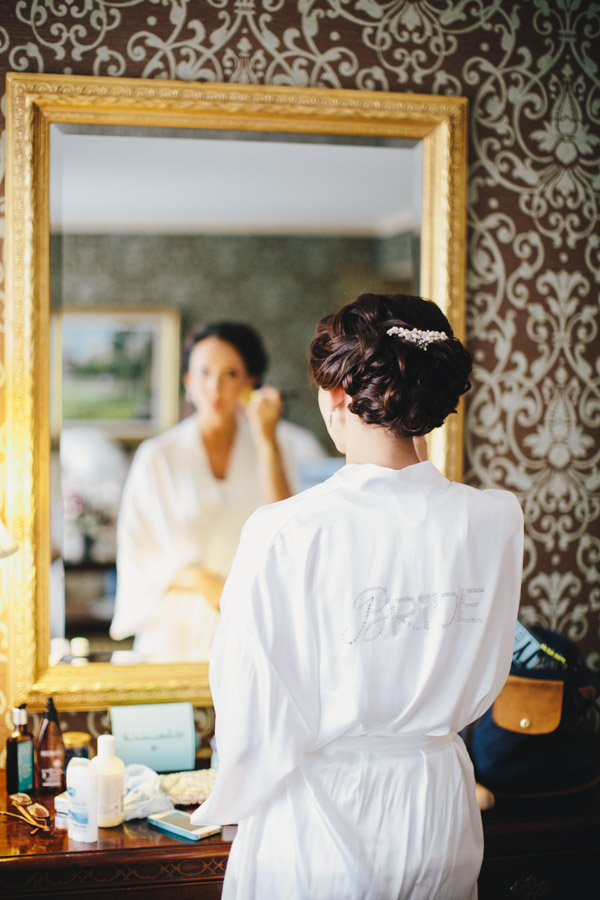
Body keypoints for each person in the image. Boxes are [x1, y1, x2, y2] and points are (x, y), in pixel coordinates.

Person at [191, 293, 525, 899]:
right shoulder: (496, 518)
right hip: (439, 809)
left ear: (337, 395)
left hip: (321, 814)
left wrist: (231, 798)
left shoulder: (286, 531)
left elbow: (250, 707)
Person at [110, 321, 326, 661]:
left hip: (249, 627)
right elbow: (138, 550)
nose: (215, 387)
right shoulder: (158, 457)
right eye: (205, 373)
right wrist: (201, 581)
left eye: (230, 374)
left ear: (250, 382)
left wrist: (266, 439)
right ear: (188, 381)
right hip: (174, 633)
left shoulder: (273, 446)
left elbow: (284, 531)